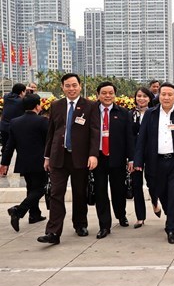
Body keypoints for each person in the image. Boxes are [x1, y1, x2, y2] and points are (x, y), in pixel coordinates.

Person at [38, 73, 100, 245]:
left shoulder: (90, 106)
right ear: (62, 87)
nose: (71, 89)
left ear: (80, 86)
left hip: (80, 158)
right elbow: (51, 132)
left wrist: (93, 154)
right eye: (67, 85)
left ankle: (80, 224)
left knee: (80, 193)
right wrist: (47, 156)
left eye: (74, 85)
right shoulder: (56, 105)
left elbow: (95, 132)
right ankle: (53, 232)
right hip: (59, 157)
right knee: (56, 194)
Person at [134, 83, 174, 244]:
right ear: (158, 96)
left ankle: (172, 228)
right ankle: (170, 215)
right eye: (163, 94)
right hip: (155, 162)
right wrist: (138, 160)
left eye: (170, 95)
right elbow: (142, 139)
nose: (166, 97)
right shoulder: (151, 114)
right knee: (160, 192)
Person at [92, 81, 135, 239]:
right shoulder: (92, 111)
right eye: (104, 93)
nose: (107, 96)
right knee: (100, 192)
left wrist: (131, 159)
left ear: (115, 95)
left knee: (118, 190)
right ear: (98, 95)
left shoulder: (123, 113)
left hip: (117, 158)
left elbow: (129, 138)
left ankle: (121, 214)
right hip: (98, 159)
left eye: (110, 93)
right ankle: (104, 225)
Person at [1, 94, 48, 231]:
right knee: (41, 188)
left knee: (31, 188)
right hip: (40, 162)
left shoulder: (15, 122)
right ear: (38, 106)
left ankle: (34, 215)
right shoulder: (42, 121)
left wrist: (4, 163)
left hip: (23, 162)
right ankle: (18, 210)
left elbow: (10, 145)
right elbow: (48, 143)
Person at [130, 87, 160, 227]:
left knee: (152, 182)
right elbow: (127, 137)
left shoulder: (155, 114)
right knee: (136, 185)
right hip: (135, 155)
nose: (141, 99)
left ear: (150, 98)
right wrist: (130, 157)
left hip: (152, 154)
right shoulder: (130, 115)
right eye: (139, 96)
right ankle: (140, 217)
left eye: (144, 96)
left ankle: (155, 202)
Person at [0, 83, 26, 157]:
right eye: (25, 91)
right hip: (15, 129)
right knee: (20, 149)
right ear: (21, 92)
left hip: (4, 127)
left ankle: (3, 166)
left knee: (5, 149)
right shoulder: (22, 102)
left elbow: (13, 92)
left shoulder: (6, 97)